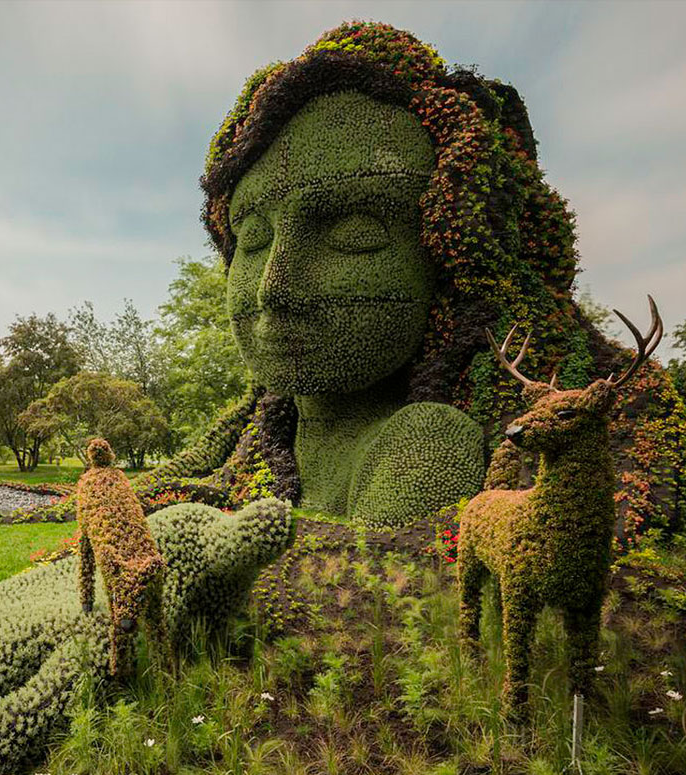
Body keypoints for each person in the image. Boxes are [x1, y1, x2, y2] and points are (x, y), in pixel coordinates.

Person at [136, 21, 684, 537]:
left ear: (447, 264)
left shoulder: (425, 443)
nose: (273, 288)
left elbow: (373, 603)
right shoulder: (261, 440)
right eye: (253, 239)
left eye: (355, 234)